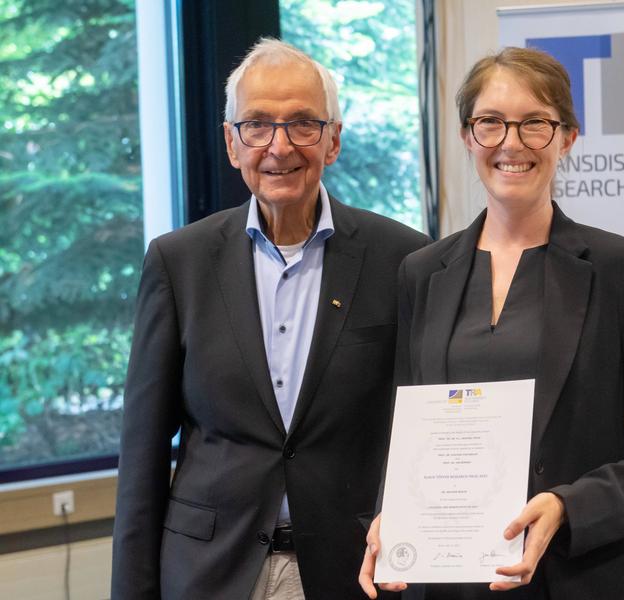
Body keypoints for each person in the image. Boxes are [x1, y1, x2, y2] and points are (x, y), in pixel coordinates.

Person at [359, 47, 624, 600]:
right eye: (490, 123)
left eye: (534, 123)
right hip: (454, 581)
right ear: (468, 136)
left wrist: (570, 505)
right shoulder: (422, 274)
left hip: (584, 577)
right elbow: (408, 437)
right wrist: (392, 519)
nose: (511, 143)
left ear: (566, 137)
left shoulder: (617, 268)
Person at [111, 38, 428, 600]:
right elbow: (142, 453)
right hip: (210, 572)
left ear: (333, 141)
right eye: (257, 125)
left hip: (355, 572)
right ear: (233, 144)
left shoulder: (403, 258)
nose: (279, 146)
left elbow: (423, 431)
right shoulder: (178, 262)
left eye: (303, 124)